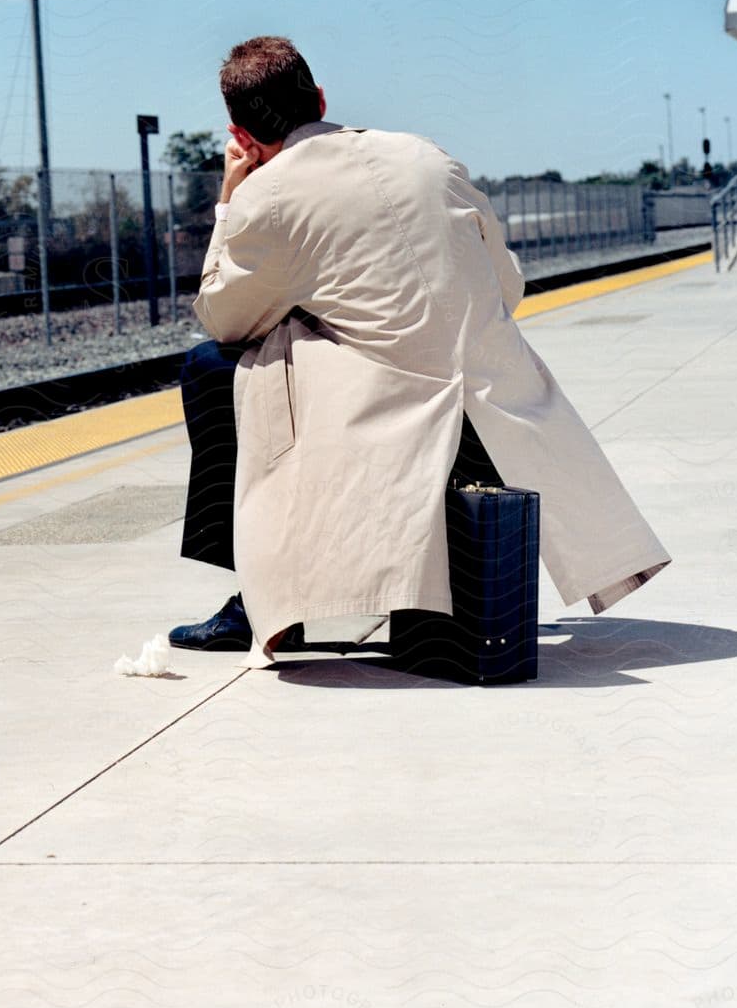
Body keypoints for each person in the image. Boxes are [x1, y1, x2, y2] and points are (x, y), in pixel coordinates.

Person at [170, 35, 671, 667]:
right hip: (499, 410)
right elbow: (507, 286)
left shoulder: (266, 197)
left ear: (239, 132)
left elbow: (224, 317)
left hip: (391, 423)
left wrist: (228, 199)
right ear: (321, 99)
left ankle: (254, 600)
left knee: (212, 368)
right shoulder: (426, 156)